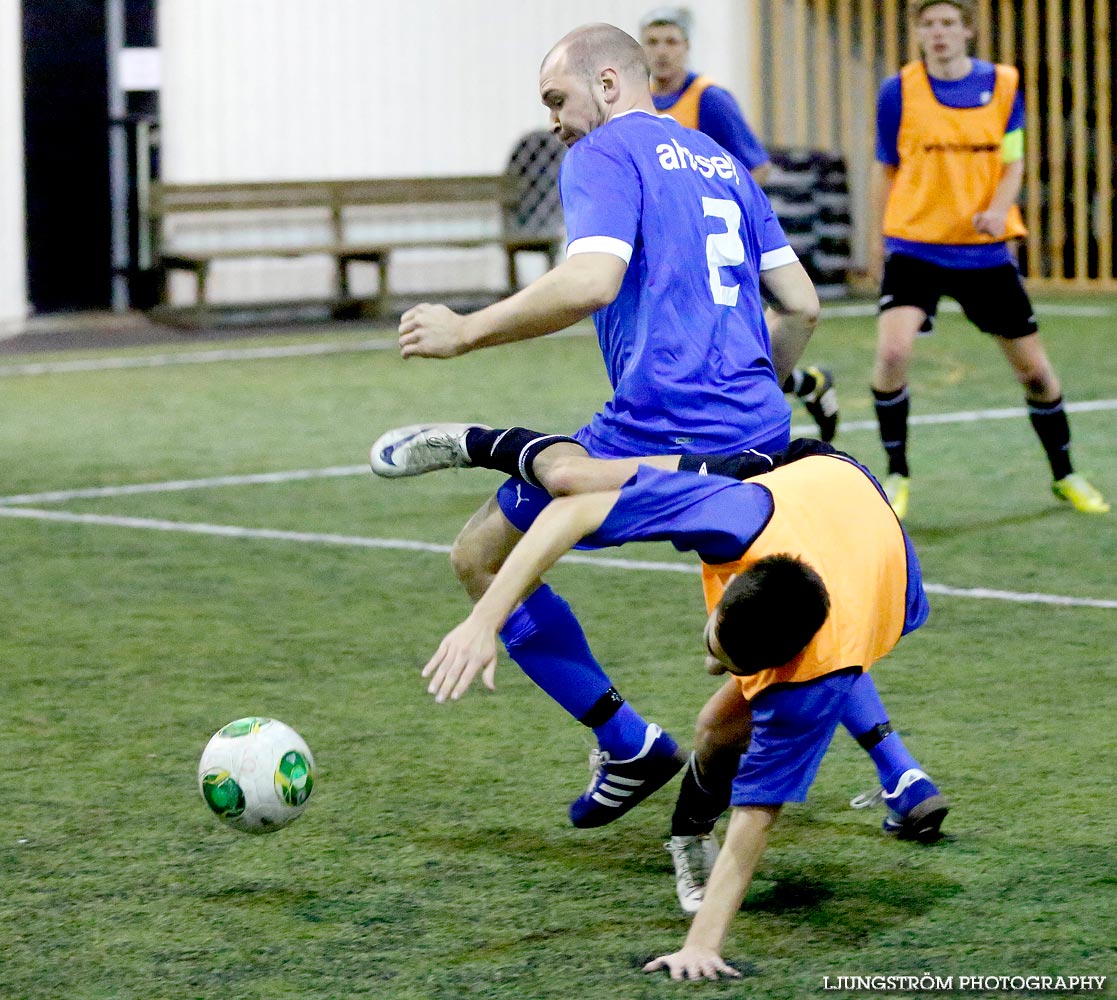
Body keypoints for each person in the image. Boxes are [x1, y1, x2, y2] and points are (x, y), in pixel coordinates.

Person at [377, 24, 941, 856]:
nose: (557, 122)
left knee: (484, 551)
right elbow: (802, 303)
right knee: (786, 600)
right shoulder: (718, 162)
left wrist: (466, 331)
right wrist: (756, 390)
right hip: (758, 433)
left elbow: (591, 279)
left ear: (608, 83)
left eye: (557, 100)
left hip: (656, 425)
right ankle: (900, 772)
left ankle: (625, 742)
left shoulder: (605, 153)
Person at [413, 437, 937, 981]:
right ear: (733, 579)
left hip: (883, 565)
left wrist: (702, 945)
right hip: (826, 474)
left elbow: (756, 818)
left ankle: (884, 776)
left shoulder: (808, 687)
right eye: (717, 645)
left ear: (783, 668)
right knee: (580, 478)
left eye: (728, 664)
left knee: (723, 725)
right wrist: (483, 619)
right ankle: (483, 441)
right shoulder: (733, 512)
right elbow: (575, 508)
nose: (711, 666)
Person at [867, 0, 1108, 518]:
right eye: (928, 24)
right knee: (891, 356)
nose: (938, 33)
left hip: (984, 254)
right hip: (915, 247)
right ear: (917, 33)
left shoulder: (1003, 84)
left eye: (949, 23)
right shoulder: (898, 90)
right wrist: (880, 241)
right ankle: (896, 475)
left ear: (968, 31)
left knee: (1036, 374)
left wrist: (1000, 210)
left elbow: (1013, 159)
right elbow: (885, 166)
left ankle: (1066, 474)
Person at [640, 4, 840, 442]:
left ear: (687, 47)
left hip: (716, 245)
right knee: (702, 356)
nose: (662, 52)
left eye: (671, 42)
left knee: (720, 353)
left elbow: (758, 168)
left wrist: (706, 206)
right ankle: (809, 384)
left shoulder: (709, 100)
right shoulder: (640, 110)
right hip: (669, 253)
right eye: (652, 42)